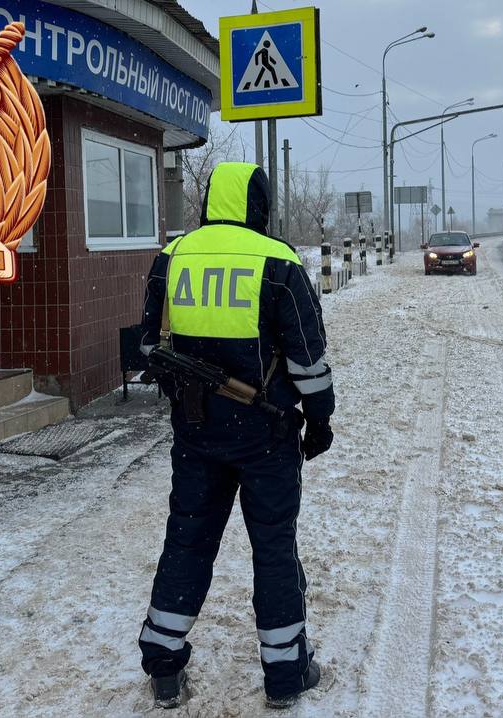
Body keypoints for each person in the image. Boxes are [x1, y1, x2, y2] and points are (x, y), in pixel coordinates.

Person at [135, 161, 335, 709]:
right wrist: (320, 418)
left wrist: (187, 390)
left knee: (187, 539)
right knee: (273, 548)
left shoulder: (173, 256)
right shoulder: (279, 262)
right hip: (266, 434)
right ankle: (286, 672)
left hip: (195, 432)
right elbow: (307, 358)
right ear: (259, 206)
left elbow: (149, 346)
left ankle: (164, 666)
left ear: (209, 203)